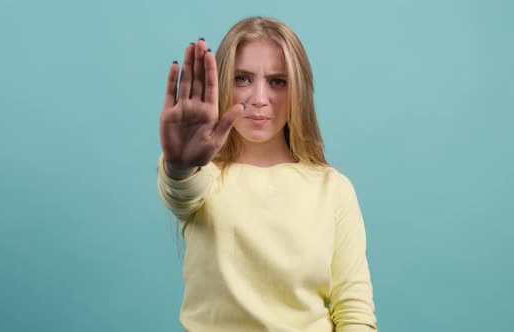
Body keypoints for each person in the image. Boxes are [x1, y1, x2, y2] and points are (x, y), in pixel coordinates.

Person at [157, 16, 377, 332]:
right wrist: (179, 165)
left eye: (277, 81)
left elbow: (355, 314)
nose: (259, 99)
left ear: (298, 90)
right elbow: (181, 191)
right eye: (242, 79)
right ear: (220, 84)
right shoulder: (202, 176)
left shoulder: (333, 190)